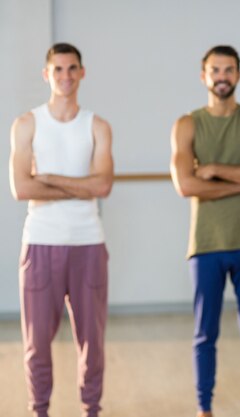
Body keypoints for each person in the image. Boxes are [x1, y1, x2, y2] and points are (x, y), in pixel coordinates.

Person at [170, 45, 240, 417]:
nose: (222, 76)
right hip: (206, 244)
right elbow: (186, 185)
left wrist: (213, 168)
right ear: (204, 76)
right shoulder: (187, 124)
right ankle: (204, 409)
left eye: (229, 69)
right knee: (205, 335)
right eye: (215, 70)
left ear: (239, 74)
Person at [9, 43, 113, 417]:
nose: (65, 76)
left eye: (72, 69)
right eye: (58, 70)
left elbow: (102, 187)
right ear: (47, 75)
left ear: (82, 73)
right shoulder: (26, 124)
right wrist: (80, 184)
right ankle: (39, 411)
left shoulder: (97, 126)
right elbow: (22, 188)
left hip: (88, 243)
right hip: (40, 243)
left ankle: (91, 410)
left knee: (93, 342)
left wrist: (49, 177)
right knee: (36, 344)